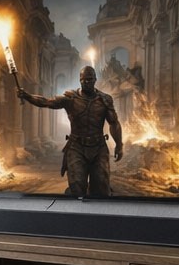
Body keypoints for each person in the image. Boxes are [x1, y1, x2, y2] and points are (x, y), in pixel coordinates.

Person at [17, 65, 124, 197]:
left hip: (98, 147)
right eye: (83, 79)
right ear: (80, 80)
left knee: (101, 191)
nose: (86, 82)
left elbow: (114, 123)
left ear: (95, 79)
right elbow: (46, 102)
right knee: (76, 189)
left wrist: (119, 145)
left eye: (89, 79)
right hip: (76, 147)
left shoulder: (105, 100)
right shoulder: (70, 99)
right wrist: (27, 96)